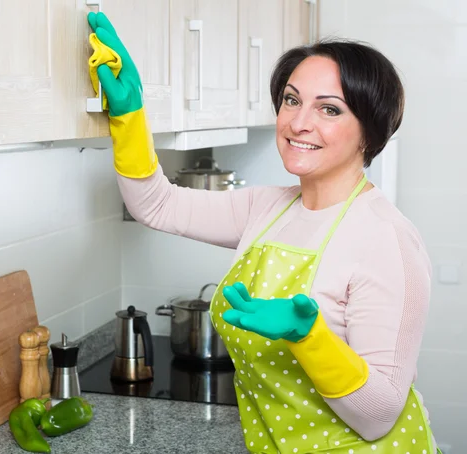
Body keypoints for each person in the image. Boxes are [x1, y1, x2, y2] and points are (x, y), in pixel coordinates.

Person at [87, 11, 438, 454]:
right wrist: (130, 117)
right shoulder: (268, 208)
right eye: (292, 100)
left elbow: (378, 415)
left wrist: (311, 341)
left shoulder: (387, 240)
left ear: (370, 130)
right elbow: (158, 204)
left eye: (329, 109)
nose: (298, 122)